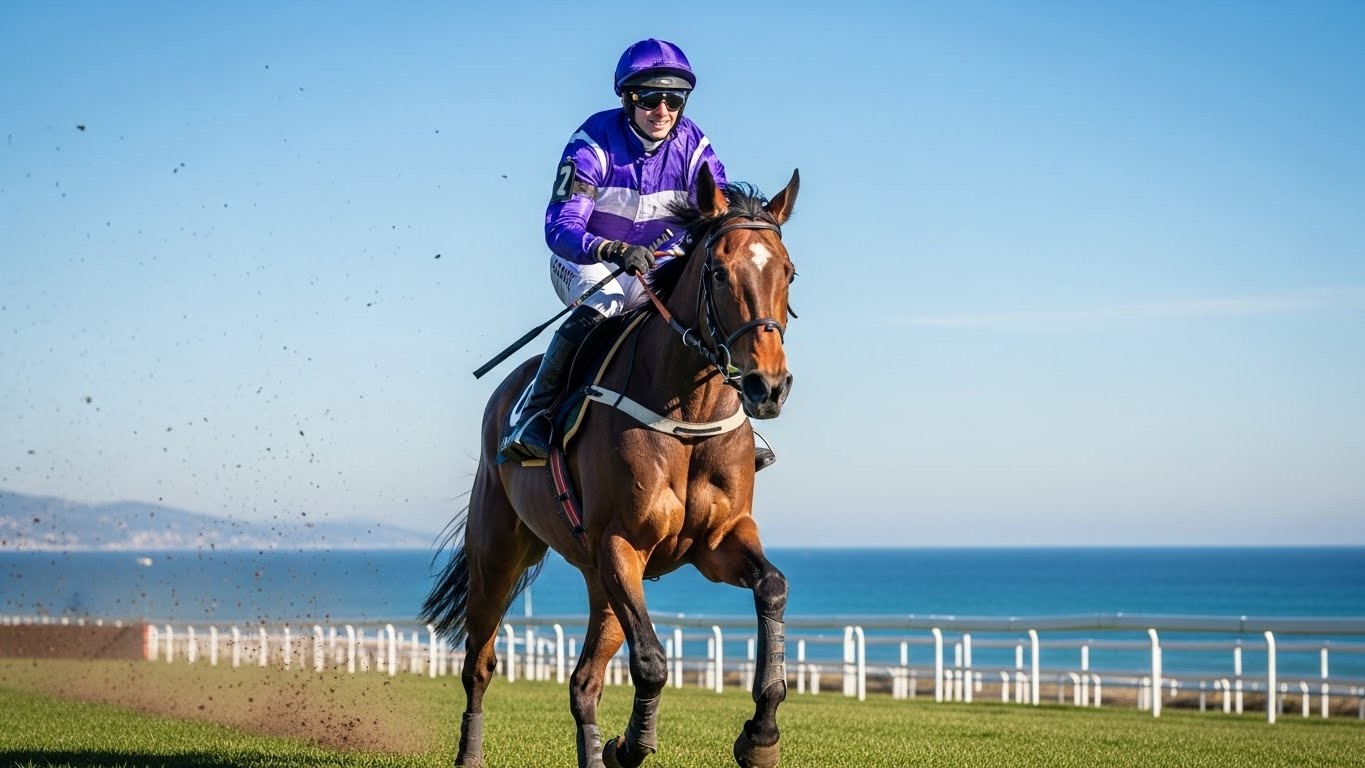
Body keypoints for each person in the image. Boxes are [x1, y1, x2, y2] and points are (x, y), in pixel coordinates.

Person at [498, 38, 776, 472]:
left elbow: (717, 212)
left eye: (674, 98)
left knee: (703, 309)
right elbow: (560, 227)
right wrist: (609, 248)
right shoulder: (594, 141)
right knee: (606, 305)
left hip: (656, 264)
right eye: (650, 97)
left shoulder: (694, 145)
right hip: (586, 260)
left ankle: (738, 418)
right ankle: (537, 411)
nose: (663, 110)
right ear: (628, 98)